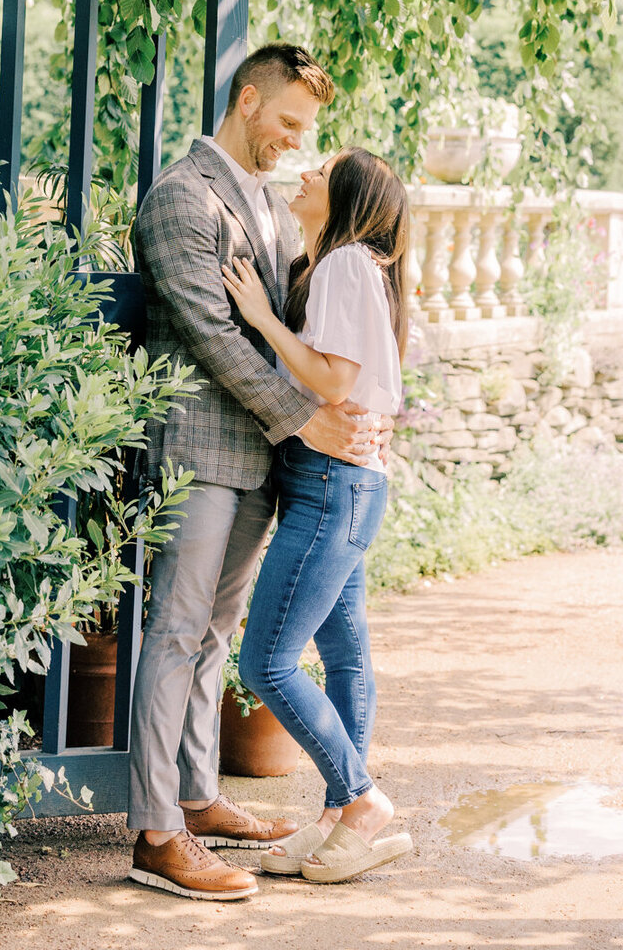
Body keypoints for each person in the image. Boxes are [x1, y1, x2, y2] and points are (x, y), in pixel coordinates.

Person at [128, 44, 392, 903]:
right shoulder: (179, 197)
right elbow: (212, 334)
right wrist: (307, 416)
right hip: (200, 452)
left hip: (262, 461)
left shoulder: (277, 215)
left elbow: (311, 336)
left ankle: (200, 798)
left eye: (306, 131)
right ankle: (155, 832)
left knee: (213, 639)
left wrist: (344, 408)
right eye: (287, 123)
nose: (295, 143)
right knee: (174, 634)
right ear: (247, 101)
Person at [220, 147, 414, 884]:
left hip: (332, 483)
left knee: (265, 661)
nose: (304, 172)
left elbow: (336, 377)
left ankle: (361, 801)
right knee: (344, 654)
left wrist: (264, 320)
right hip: (347, 481)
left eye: (321, 172)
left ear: (349, 199)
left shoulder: (341, 265)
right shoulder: (351, 267)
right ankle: (338, 821)